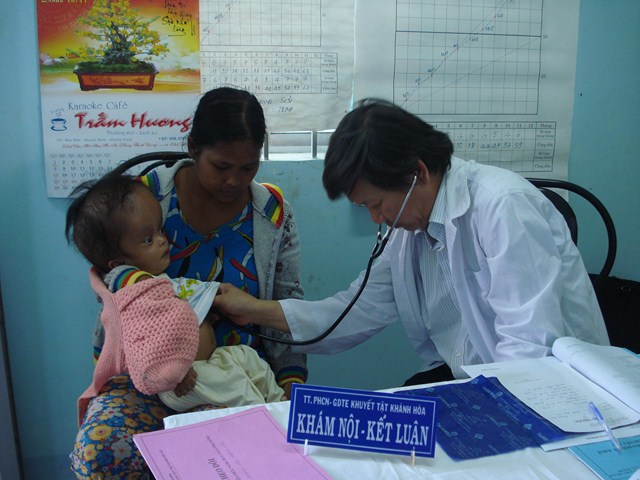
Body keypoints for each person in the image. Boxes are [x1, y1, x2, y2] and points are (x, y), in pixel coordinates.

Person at [214, 98, 610, 386]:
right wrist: (254, 310)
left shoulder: (503, 207)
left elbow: (530, 345)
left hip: (552, 392)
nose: (377, 219)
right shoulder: (410, 234)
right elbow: (352, 312)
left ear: (417, 173)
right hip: (468, 381)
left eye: (376, 204)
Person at [69, 87, 305, 479]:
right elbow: (117, 287)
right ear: (193, 147)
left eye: (248, 168)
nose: (234, 181)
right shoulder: (145, 198)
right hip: (150, 376)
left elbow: (288, 304)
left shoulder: (273, 214)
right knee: (101, 452)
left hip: (236, 374)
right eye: (221, 166)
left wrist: (291, 382)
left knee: (232, 458)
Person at [66, 175, 286, 423]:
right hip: (177, 382)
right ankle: (269, 423)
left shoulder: (154, 280)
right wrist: (174, 372)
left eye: (160, 229)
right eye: (148, 240)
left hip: (207, 363)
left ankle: (281, 406)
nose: (163, 240)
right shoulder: (128, 285)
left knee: (248, 359)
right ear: (118, 263)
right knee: (236, 385)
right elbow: (146, 343)